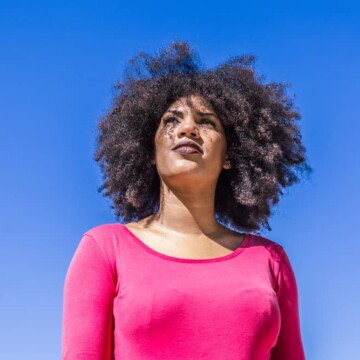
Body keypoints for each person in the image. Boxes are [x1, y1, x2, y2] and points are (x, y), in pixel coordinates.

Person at [61, 41, 311, 359]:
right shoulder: (105, 249)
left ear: (229, 157)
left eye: (206, 122)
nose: (188, 129)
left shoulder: (271, 260)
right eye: (171, 121)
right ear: (149, 151)